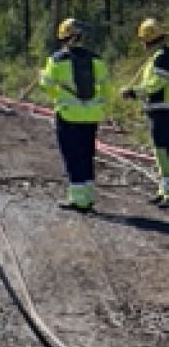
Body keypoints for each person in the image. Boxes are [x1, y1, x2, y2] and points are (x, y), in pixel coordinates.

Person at [38, 18, 111, 212]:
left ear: (63, 36)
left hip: (68, 116)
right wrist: (99, 108)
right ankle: (88, 195)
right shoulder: (96, 59)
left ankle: (78, 200)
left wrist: (55, 96)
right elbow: (106, 88)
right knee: (87, 155)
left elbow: (47, 85)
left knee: (72, 157)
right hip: (91, 117)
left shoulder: (56, 60)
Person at [120, 18, 169, 208]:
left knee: (163, 151)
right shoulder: (158, 56)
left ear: (148, 39)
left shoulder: (163, 57)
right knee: (161, 152)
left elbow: (155, 85)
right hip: (158, 110)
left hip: (163, 110)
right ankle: (163, 190)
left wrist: (133, 92)